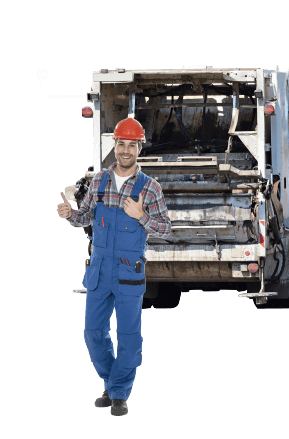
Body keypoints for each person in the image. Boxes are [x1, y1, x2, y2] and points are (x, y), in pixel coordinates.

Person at [57, 118, 171, 416]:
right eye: (121, 144)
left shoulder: (150, 188)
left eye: (131, 145)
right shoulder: (99, 182)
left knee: (129, 337)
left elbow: (165, 229)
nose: (125, 150)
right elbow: (85, 218)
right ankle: (111, 381)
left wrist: (142, 215)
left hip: (128, 273)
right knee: (93, 332)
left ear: (139, 148)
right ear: (115, 146)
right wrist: (71, 214)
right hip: (98, 270)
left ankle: (119, 393)